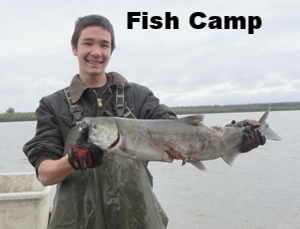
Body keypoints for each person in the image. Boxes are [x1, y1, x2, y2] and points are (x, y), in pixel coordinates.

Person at [23, 14, 266, 229]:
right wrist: (73, 160)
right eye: (87, 43)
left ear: (111, 51)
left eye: (104, 45)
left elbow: (180, 130)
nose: (96, 51)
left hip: (138, 220)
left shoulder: (137, 97)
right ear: (74, 47)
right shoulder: (52, 106)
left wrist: (235, 134)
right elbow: (45, 175)